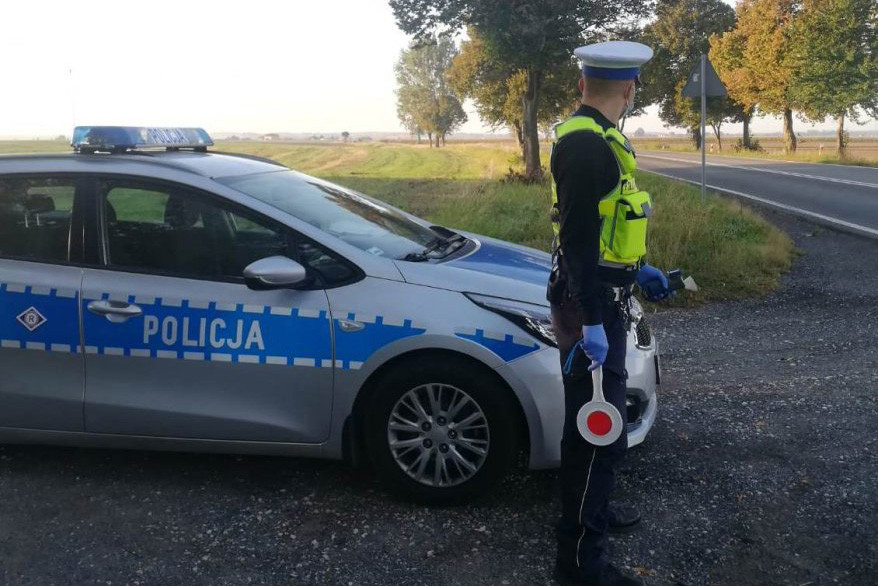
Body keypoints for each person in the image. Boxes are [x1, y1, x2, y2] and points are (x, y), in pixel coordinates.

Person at [547, 40, 673, 586]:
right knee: (595, 431)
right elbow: (577, 242)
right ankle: (580, 564)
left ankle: (593, 508)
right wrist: (593, 320)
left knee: (602, 423)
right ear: (629, 89)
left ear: (583, 85)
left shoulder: (597, 138)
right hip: (590, 305)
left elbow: (603, 228)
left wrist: (638, 269)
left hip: (601, 296)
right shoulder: (586, 146)